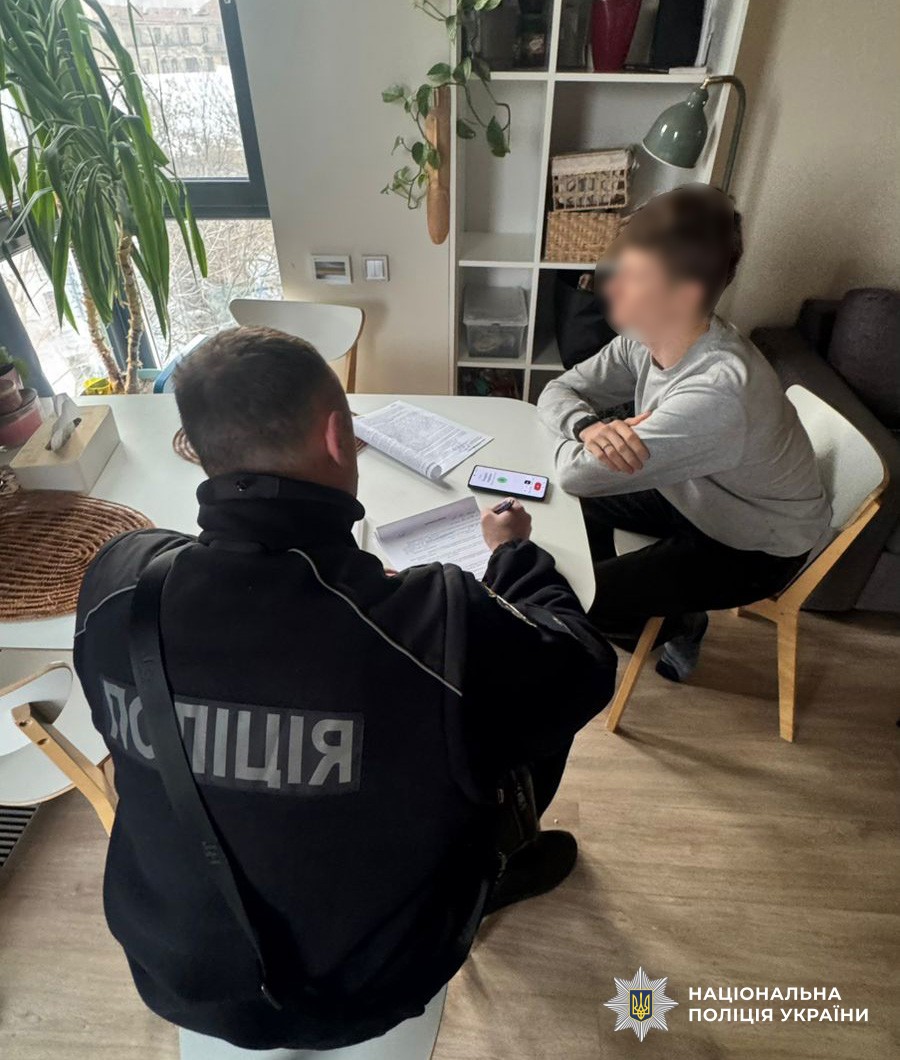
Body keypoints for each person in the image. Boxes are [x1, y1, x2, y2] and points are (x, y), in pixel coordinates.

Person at [74, 327, 616, 1051]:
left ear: (199, 450)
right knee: (513, 710)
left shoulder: (115, 583)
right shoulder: (433, 622)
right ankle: (501, 865)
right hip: (373, 984)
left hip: (174, 967)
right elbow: (584, 665)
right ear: (339, 437)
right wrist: (514, 553)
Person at [538, 184, 831, 681]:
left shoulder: (717, 394)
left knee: (574, 600)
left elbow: (574, 474)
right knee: (564, 509)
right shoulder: (646, 336)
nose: (610, 286)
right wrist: (587, 426)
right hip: (693, 490)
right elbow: (560, 389)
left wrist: (586, 449)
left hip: (751, 543)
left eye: (633, 277)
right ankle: (633, 591)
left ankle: (679, 621)